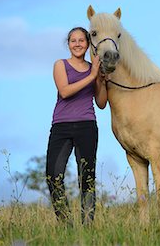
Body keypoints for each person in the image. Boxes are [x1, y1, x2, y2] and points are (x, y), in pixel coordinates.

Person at [45, 27, 108, 225]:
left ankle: (87, 226)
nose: (78, 44)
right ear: (69, 44)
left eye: (82, 40)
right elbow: (64, 91)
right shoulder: (60, 65)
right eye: (74, 40)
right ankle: (66, 225)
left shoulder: (93, 69)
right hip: (61, 127)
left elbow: (102, 103)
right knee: (53, 175)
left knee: (87, 178)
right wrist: (91, 76)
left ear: (88, 44)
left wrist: (100, 80)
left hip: (87, 126)